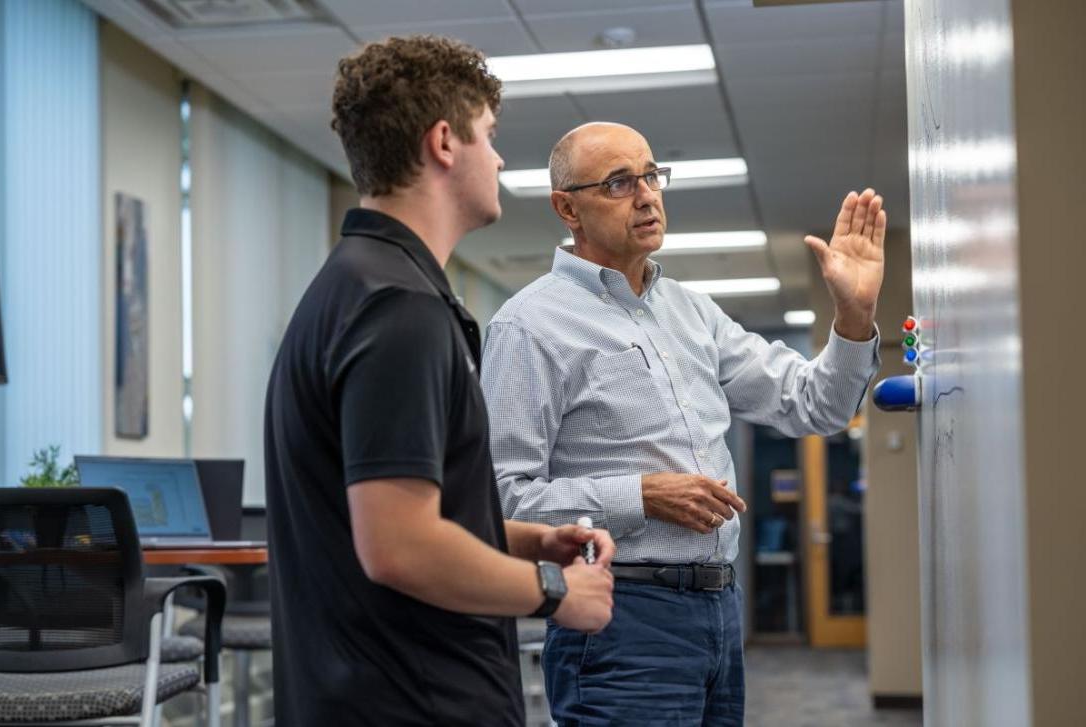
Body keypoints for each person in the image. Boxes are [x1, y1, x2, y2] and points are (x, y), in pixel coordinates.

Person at [480, 121, 885, 725]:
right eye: (618, 183)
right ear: (568, 208)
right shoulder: (530, 327)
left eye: (650, 175)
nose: (646, 196)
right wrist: (639, 496)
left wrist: (853, 318)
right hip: (620, 618)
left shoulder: (692, 313)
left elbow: (814, 405)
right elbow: (502, 501)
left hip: (719, 611)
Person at [264, 39, 615, 727]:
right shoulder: (399, 310)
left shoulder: (351, 285)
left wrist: (524, 539)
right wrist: (553, 590)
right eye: (489, 136)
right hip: (413, 699)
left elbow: (400, 513)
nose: (500, 158)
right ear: (445, 142)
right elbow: (399, 544)